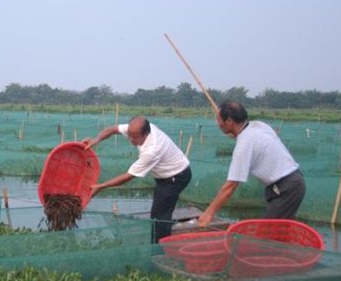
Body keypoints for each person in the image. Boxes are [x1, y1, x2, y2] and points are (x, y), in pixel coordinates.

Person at [82, 115, 191, 243]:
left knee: (159, 217)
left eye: (135, 137)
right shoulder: (135, 129)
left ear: (145, 133)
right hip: (166, 175)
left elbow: (129, 176)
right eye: (129, 135)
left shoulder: (152, 149)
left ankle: (159, 250)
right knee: (158, 211)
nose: (131, 140)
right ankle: (160, 239)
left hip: (176, 177)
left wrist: (101, 186)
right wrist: (96, 139)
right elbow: (113, 129)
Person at [198, 101, 305, 227]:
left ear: (229, 121)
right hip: (291, 183)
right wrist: (237, 135)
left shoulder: (244, 145)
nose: (218, 124)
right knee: (279, 232)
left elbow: (230, 186)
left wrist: (209, 213)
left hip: (287, 188)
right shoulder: (258, 125)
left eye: (219, 120)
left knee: (267, 234)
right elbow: (257, 139)